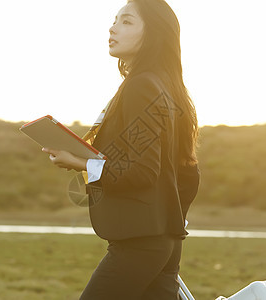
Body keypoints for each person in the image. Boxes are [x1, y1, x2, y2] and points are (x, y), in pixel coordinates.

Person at [42, 0, 199, 298]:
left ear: (153, 34)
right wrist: (173, 222)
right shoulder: (167, 87)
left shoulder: (141, 86)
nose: (113, 27)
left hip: (140, 241)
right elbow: (189, 172)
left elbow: (142, 172)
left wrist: (81, 164)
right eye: (115, 20)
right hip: (164, 239)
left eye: (127, 21)